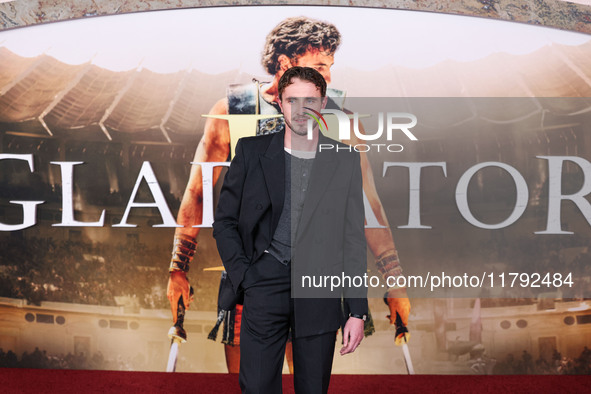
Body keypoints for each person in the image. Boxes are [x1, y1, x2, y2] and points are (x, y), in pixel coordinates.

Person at [166, 16, 410, 370]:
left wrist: (395, 277)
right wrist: (178, 267)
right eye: (320, 65)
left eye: (330, 67)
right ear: (285, 63)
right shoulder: (233, 110)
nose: (328, 76)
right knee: (249, 382)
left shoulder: (342, 119)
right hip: (253, 276)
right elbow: (199, 193)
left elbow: (366, 206)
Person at [214, 66, 367, 393]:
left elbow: (352, 238)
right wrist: (245, 276)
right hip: (263, 284)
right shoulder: (251, 152)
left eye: (309, 100)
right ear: (280, 104)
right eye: (292, 100)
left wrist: (357, 310)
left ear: (323, 103)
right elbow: (225, 222)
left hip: (319, 289)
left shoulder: (345, 160)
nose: (301, 110)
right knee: (256, 388)